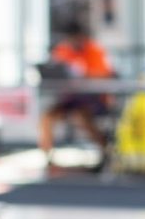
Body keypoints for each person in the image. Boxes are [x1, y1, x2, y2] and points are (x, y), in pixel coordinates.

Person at [38, 21, 114, 159]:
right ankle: (47, 157)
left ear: (82, 37)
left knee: (80, 116)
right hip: (69, 98)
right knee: (47, 117)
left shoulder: (95, 50)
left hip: (93, 99)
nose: (72, 42)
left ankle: (104, 149)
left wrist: (83, 72)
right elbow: (56, 70)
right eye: (69, 39)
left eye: (75, 38)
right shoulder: (63, 50)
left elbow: (103, 75)